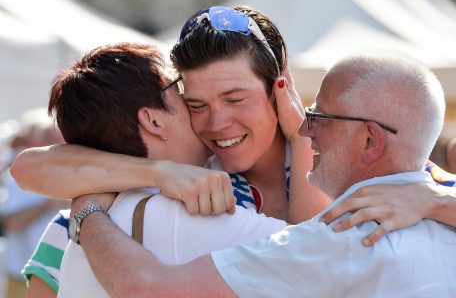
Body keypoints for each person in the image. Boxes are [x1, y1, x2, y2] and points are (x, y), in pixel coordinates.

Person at [10, 6, 456, 240]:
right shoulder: (197, 172)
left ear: (279, 86)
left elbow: (313, 258)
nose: (217, 122)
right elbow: (31, 167)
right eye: (197, 103)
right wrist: (159, 171)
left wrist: (434, 204)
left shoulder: (355, 152)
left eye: (235, 98)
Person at [71, 53, 456, 297]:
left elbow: (144, 288)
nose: (304, 131)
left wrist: (87, 207)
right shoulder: (444, 222)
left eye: (319, 118)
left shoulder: (338, 238)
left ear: (370, 140)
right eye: (194, 104)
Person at [43, 42, 289, 298]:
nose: (190, 101)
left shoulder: (108, 209)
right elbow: (319, 252)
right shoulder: (179, 214)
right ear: (153, 120)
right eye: (178, 89)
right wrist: (301, 136)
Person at [0, 111, 67, 298]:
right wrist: (49, 203)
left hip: (59, 281)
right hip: (22, 279)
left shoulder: (74, 178)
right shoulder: (18, 176)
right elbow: (12, 222)